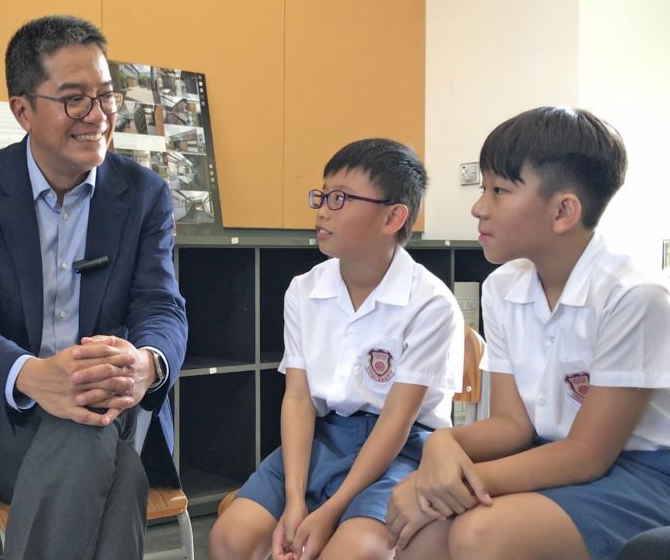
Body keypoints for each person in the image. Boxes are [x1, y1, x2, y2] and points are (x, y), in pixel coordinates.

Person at [0, 15, 187, 560]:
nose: (98, 115)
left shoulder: (144, 194)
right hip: (4, 415)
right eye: (74, 99)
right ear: (22, 110)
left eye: (106, 96)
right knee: (111, 466)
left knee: (90, 430)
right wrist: (35, 377)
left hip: (111, 408)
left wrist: (146, 363)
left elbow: (162, 307)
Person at [386, 107, 670, 560]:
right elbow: (512, 426)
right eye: (482, 188)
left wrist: (447, 484)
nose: (479, 207)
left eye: (499, 191)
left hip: (641, 473)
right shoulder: (503, 286)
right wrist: (443, 442)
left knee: (478, 533)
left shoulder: (633, 295)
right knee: (421, 538)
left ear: (563, 211)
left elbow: (587, 455)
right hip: (546, 455)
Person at [209, 138, 464, 560]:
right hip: (324, 436)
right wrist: (295, 501)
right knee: (229, 539)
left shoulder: (430, 303)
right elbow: (298, 399)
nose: (323, 210)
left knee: (353, 551)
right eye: (322, 195)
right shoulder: (304, 289)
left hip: (402, 448)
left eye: (341, 198)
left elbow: (397, 422)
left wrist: (330, 510)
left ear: (393, 216)